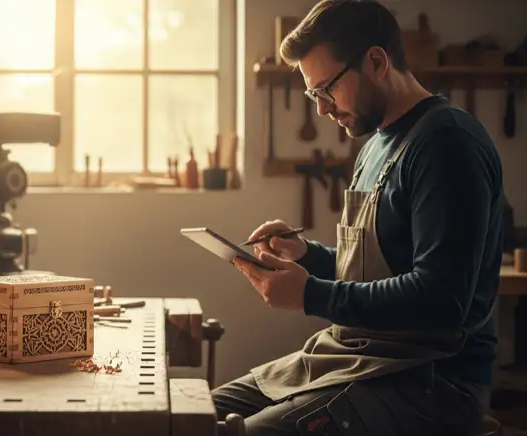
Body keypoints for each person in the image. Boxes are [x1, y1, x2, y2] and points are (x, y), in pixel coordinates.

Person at [214, 1, 505, 435]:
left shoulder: (448, 145)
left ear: (376, 61)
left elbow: (441, 301)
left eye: (326, 89)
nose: (322, 109)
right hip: (357, 356)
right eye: (314, 94)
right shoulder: (374, 145)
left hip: (431, 379)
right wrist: (306, 255)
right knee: (201, 411)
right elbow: (380, 267)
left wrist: (312, 295)